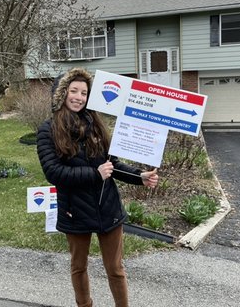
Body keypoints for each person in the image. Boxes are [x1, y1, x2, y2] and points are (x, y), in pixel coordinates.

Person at [36, 67, 159, 307]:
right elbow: (53, 172)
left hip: (107, 207)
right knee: (79, 267)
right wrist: (95, 174)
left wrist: (140, 176)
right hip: (75, 210)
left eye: (84, 92)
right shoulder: (48, 130)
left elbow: (111, 163)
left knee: (116, 268)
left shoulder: (95, 125)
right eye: (73, 91)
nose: (78, 97)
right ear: (61, 94)